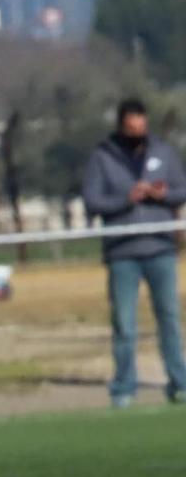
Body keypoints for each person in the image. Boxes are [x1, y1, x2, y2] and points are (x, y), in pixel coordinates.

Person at [82, 98, 186, 409]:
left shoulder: (163, 151)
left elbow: (182, 189)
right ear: (121, 127)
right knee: (125, 324)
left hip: (160, 248)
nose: (137, 133)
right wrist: (126, 199)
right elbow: (93, 201)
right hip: (122, 252)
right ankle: (124, 387)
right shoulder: (102, 157)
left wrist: (163, 195)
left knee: (169, 318)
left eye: (141, 127)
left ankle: (179, 382)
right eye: (131, 129)